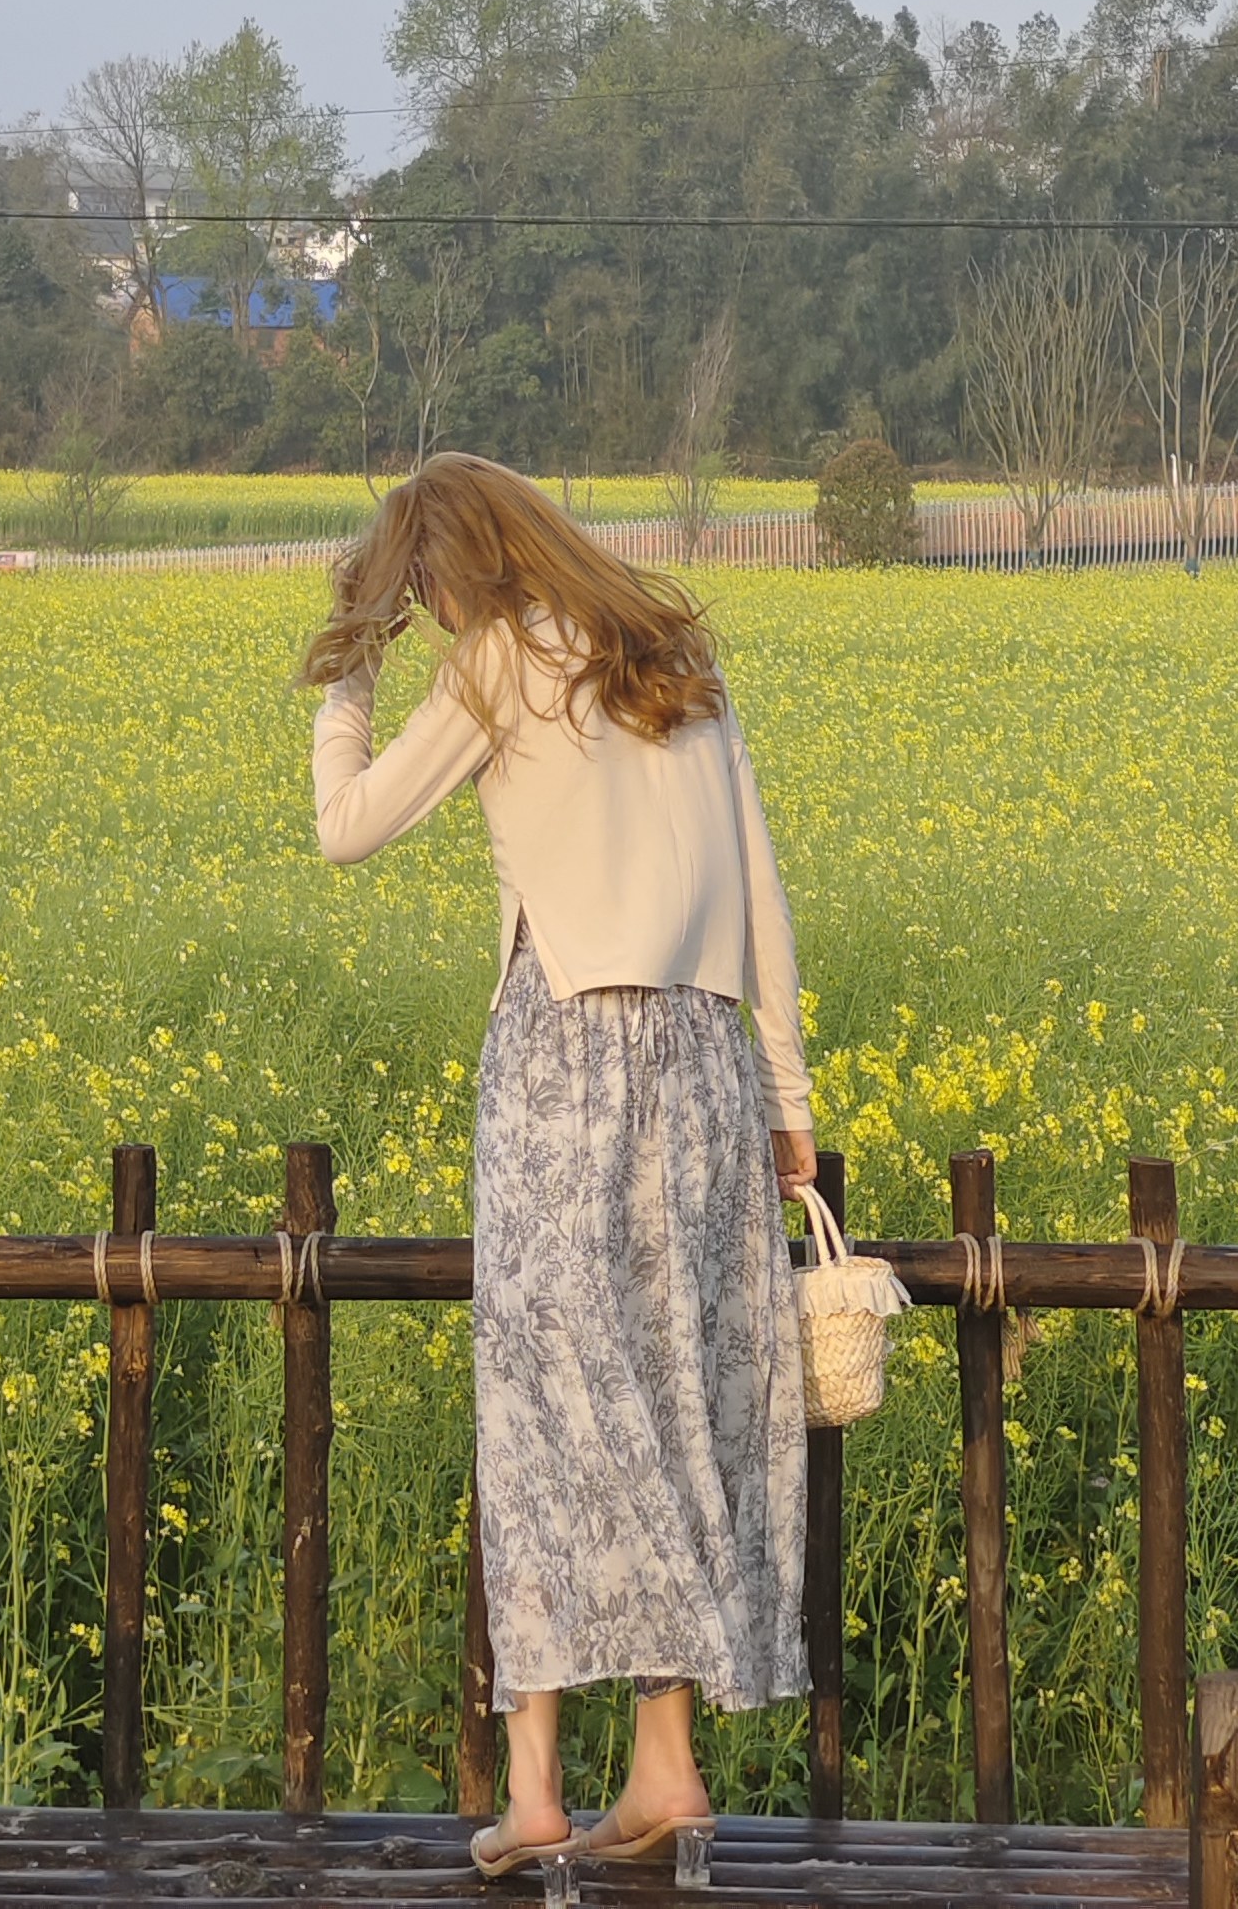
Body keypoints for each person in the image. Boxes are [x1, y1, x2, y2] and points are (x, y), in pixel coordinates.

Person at [301, 455, 813, 1879]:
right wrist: (789, 1096)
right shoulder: (675, 658)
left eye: (419, 583)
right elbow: (761, 886)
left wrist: (351, 672)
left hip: (566, 1057)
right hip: (706, 1063)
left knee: (544, 1407)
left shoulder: (495, 663)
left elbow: (346, 828)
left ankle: (536, 1793)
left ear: (449, 568)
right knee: (674, 1389)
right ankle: (663, 1766)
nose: (427, 607)